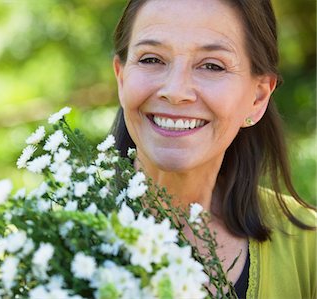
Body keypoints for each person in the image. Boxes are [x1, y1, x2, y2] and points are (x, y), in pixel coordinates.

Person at [110, 0, 316, 298]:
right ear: (122, 77)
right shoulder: (43, 239)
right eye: (151, 59)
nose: (176, 91)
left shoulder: (309, 249)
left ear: (257, 99)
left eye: (212, 65)